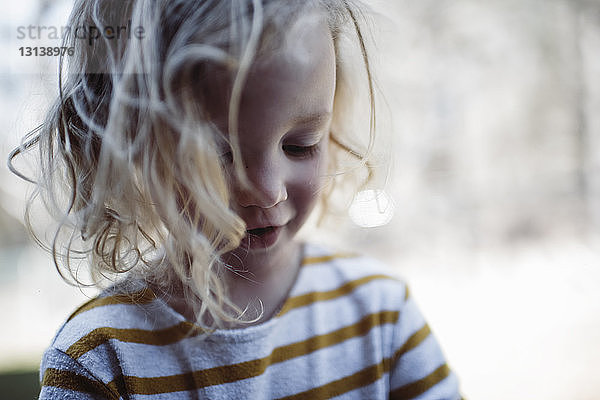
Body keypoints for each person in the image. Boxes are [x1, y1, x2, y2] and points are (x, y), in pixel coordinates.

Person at [10, 0, 462, 398]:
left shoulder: (381, 317)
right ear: (132, 146)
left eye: (300, 144)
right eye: (216, 155)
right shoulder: (102, 361)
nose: (269, 191)